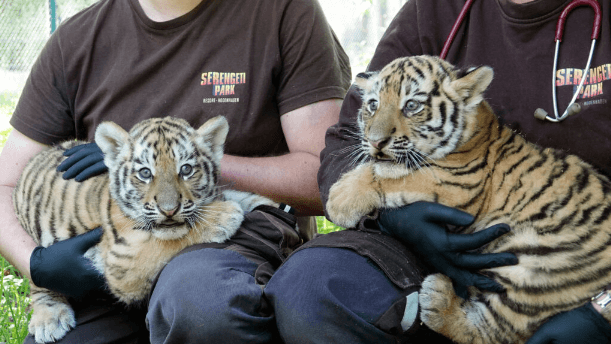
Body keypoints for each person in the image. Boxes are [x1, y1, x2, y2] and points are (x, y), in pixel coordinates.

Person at [0, 0, 351, 342]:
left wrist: (207, 164)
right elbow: (5, 182)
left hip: (234, 240)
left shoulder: (284, 11)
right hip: (115, 248)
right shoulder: (76, 39)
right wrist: (36, 264)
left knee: (202, 304)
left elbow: (327, 177)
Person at [315, 0, 611, 343]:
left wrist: (604, 308)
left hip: (580, 262)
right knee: (314, 285)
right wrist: (386, 215)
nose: (383, 131)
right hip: (440, 261)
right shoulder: (435, 10)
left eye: (412, 107)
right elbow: (342, 146)